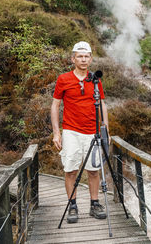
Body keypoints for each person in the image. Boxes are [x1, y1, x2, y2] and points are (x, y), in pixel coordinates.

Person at [51, 41, 109, 223]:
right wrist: (56, 133)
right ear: (73, 58)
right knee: (71, 170)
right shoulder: (63, 79)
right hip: (71, 131)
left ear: (90, 59)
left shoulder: (95, 79)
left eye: (86, 56)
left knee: (94, 170)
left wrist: (105, 126)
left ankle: (94, 204)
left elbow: (102, 104)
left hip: (93, 132)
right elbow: (55, 105)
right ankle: (72, 206)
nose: (83, 60)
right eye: (80, 56)